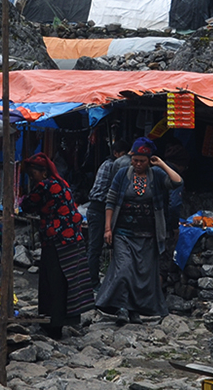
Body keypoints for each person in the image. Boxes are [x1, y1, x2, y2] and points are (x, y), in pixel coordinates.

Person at [94, 136, 183, 325]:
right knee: (124, 270)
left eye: (142, 161)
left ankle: (133, 311)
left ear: (149, 160)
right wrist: (108, 228)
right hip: (123, 233)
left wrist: (161, 164)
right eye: (135, 160)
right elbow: (110, 200)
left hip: (148, 234)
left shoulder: (157, 176)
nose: (137, 164)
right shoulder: (122, 174)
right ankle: (122, 308)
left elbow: (177, 182)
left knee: (142, 274)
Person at [21, 153, 92, 334]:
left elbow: (28, 204)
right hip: (72, 239)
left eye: (33, 174)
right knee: (65, 280)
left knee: (53, 282)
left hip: (57, 241)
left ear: (43, 172)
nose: (32, 179)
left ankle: (53, 324)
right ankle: (61, 320)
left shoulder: (45, 186)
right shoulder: (62, 183)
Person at [87, 137, 130, 290]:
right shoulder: (113, 166)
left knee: (96, 248)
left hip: (98, 209)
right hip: (99, 209)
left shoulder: (109, 164)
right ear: (116, 153)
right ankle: (92, 283)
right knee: (95, 248)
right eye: (123, 154)